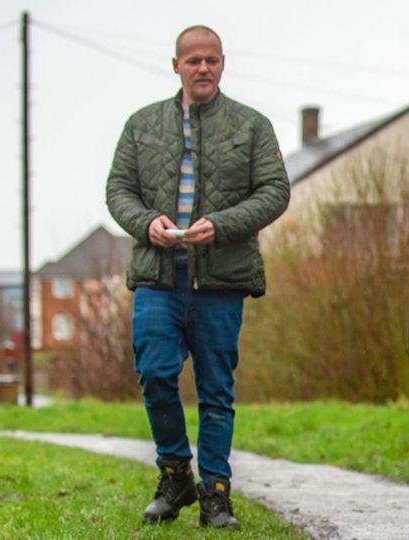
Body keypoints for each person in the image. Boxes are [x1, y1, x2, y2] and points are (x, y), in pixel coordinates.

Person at [106, 25, 290, 530]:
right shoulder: (141, 125)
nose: (202, 68)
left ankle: (215, 494)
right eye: (193, 60)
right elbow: (118, 190)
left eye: (211, 59)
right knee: (156, 373)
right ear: (176, 66)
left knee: (215, 390)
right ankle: (174, 473)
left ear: (223, 64)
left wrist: (223, 225)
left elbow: (275, 191)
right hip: (157, 277)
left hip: (221, 280)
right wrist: (147, 224)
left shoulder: (252, 126)